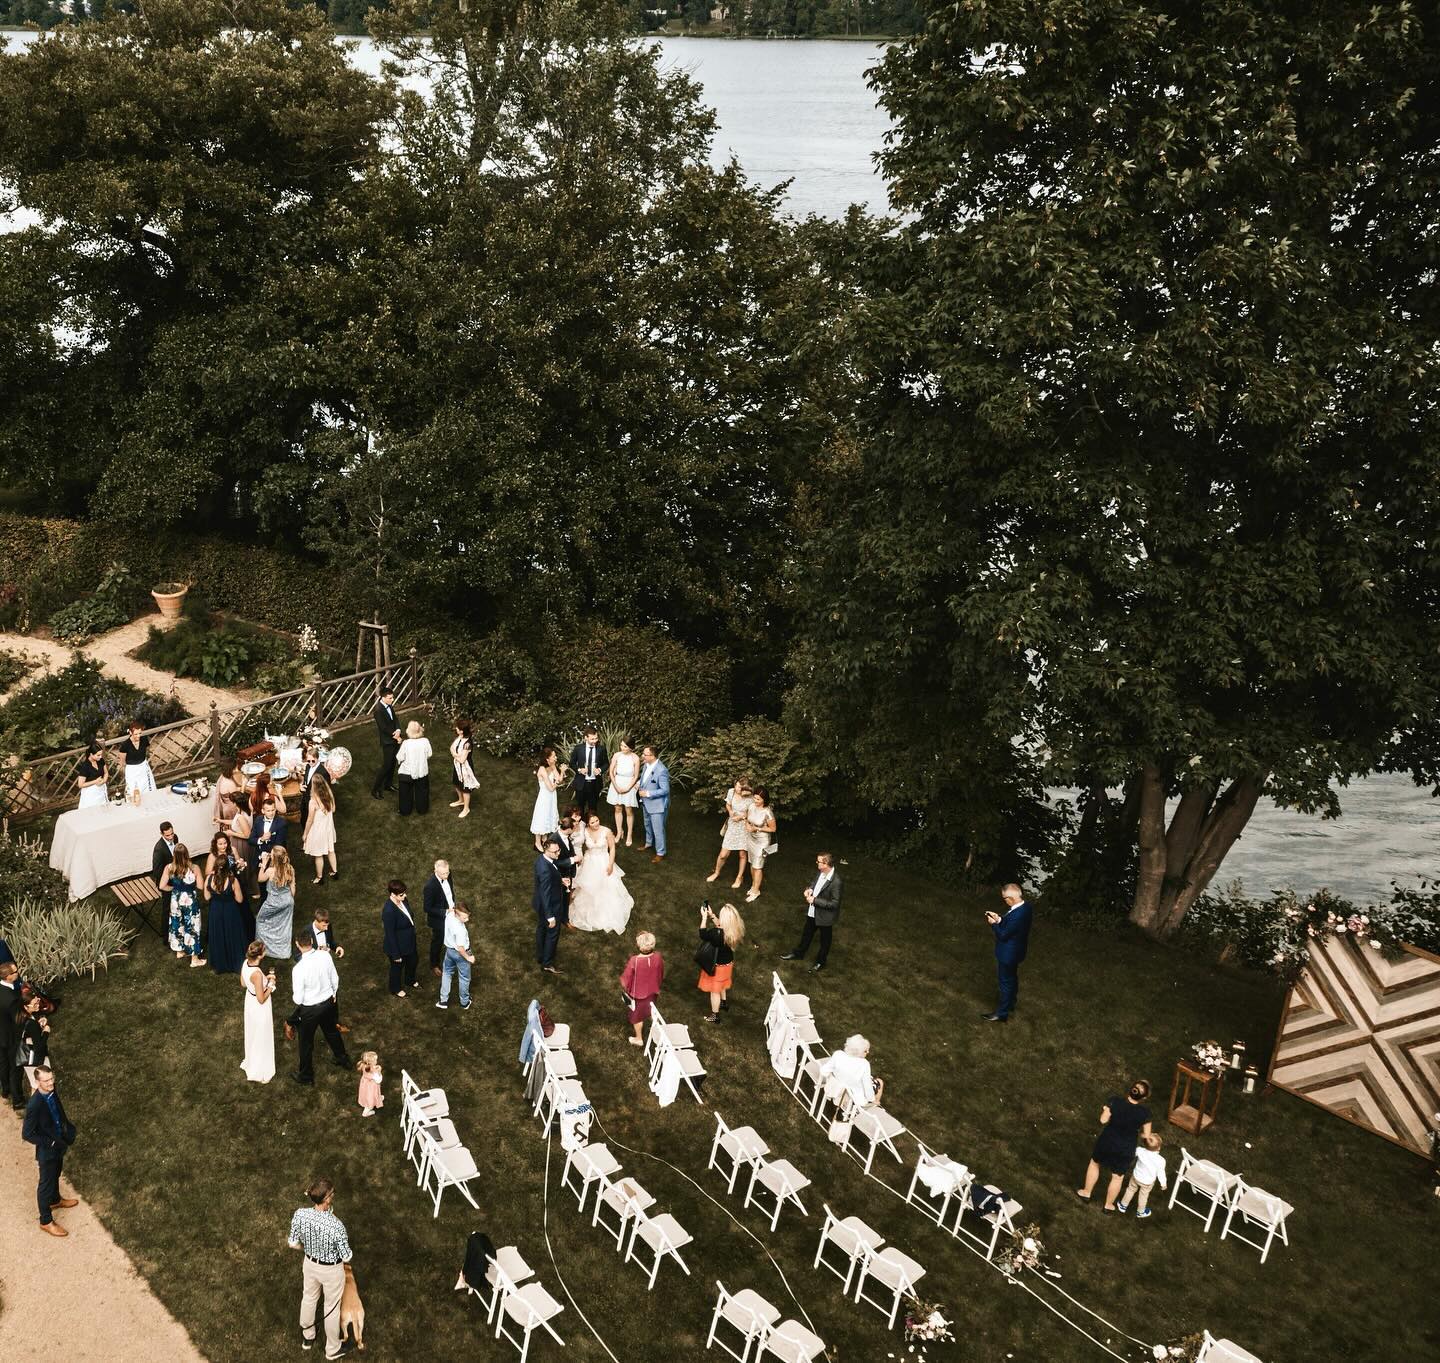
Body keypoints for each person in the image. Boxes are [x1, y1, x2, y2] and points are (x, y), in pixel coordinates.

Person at [287, 1177, 357, 1359]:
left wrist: (308, 1250)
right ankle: (332, 1349)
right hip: (331, 1271)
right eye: (332, 1193)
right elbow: (347, 1256)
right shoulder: (336, 1226)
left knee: (309, 1298)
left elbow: (292, 1243)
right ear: (327, 1199)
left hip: (309, 1264)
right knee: (331, 1308)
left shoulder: (300, 1214)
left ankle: (307, 1337)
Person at [1076, 1081, 1155, 1212]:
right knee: (1117, 1177)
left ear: (1131, 1090)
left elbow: (1103, 1120)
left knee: (1095, 1163)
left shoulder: (1115, 1101)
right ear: (1144, 1098)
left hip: (1107, 1140)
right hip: (1126, 1147)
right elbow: (1146, 1136)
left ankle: (1086, 1192)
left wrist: (1106, 1110)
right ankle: (1108, 1206)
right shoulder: (1145, 1113)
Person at [288, 928, 350, 1085]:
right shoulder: (325, 956)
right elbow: (334, 978)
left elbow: (298, 998)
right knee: (332, 1032)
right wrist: (333, 993)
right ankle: (342, 1059)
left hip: (310, 1010)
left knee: (306, 1043)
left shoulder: (298, 969)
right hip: (329, 1002)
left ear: (298, 944)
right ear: (311, 941)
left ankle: (306, 1076)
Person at [22, 1066, 78, 1238]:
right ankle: (45, 1221)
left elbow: (57, 1110)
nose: (50, 1083)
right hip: (48, 1149)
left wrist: (66, 1127)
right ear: (37, 1082)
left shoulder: (52, 1090)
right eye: (46, 1081)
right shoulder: (34, 1104)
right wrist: (51, 1142)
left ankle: (55, 1200)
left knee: (56, 1173)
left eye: (51, 1079)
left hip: (59, 1142)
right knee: (45, 1183)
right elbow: (27, 1134)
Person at [568, 812, 634, 934]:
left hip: (603, 861)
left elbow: (612, 848)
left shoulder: (606, 831)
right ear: (588, 823)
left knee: (606, 886)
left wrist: (610, 864)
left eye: (597, 820)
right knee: (588, 887)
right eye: (592, 822)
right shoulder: (585, 830)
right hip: (589, 862)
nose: (596, 824)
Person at [782, 852, 843, 973]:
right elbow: (814, 884)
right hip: (813, 912)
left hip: (825, 917)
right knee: (807, 934)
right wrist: (809, 889)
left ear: (826, 864)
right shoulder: (821, 872)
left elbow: (835, 904)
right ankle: (799, 954)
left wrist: (815, 900)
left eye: (818, 862)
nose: (817, 863)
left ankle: (820, 962)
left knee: (825, 941)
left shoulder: (836, 882)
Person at [983, 883, 1033, 1022]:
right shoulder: (1026, 907)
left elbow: (1003, 935)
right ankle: (1011, 1003)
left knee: (1005, 982)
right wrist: (999, 919)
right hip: (1017, 951)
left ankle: (1002, 1013)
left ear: (1010, 898)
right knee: (1012, 978)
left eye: (1005, 898)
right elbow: (1012, 926)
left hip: (1008, 954)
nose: (1004, 901)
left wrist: (994, 924)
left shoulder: (1018, 914)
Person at [696, 902, 744, 1022]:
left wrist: (704, 918)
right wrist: (712, 915)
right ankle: (724, 1003)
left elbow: (703, 934)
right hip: (728, 964)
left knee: (714, 991)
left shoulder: (716, 934)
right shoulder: (734, 929)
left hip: (717, 967)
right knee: (722, 984)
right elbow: (721, 926)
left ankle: (715, 1015)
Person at [159, 842, 205, 967]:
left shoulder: (169, 868)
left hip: (176, 900)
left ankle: (179, 950)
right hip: (190, 901)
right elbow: (200, 886)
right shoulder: (194, 868)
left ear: (174, 855)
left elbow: (162, 886)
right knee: (192, 925)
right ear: (187, 854)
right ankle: (194, 959)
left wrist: (173, 889)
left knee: (176, 922)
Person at [205, 855, 252, 975]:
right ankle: (235, 963)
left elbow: (207, 897)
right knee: (233, 935)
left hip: (216, 910)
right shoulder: (232, 880)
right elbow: (240, 899)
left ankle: (220, 964)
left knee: (218, 935)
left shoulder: (209, 878)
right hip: (231, 910)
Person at [241, 941, 278, 1084]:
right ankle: (260, 1068)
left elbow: (243, 983)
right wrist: (271, 985)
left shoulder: (246, 963)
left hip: (249, 1002)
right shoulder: (256, 974)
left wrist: (263, 980)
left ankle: (252, 1059)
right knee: (261, 1036)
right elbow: (261, 999)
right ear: (261, 955)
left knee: (253, 1032)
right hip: (259, 1007)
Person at [706, 776, 752, 888]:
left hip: (744, 827)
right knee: (723, 854)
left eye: (740, 787)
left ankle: (739, 878)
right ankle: (716, 872)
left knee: (742, 854)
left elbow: (752, 813)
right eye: (736, 785)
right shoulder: (731, 792)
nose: (737, 788)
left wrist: (741, 817)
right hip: (732, 825)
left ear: (745, 788)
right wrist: (730, 811)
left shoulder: (750, 797)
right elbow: (728, 804)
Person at [620, 931, 664, 1046]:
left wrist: (626, 987)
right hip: (653, 992)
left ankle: (639, 1039)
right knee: (647, 1010)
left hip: (639, 995)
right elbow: (660, 973)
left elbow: (626, 979)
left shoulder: (635, 960)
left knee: (637, 1017)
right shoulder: (658, 957)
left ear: (639, 945)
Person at [820, 1034, 884, 1111]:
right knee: (879, 1082)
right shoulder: (864, 1064)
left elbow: (824, 1071)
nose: (868, 1052)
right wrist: (873, 1099)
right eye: (866, 1051)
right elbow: (867, 1087)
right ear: (857, 1051)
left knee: (869, 1080)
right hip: (852, 1097)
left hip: (834, 1089)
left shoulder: (838, 1054)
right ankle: (872, 1107)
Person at [257, 846, 298, 961]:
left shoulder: (270, 871)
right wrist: (290, 900)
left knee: (260, 920)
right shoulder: (290, 869)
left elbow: (260, 879)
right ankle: (283, 951)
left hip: (273, 902)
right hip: (287, 901)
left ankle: (266, 948)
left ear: (274, 859)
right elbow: (292, 887)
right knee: (284, 926)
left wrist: (264, 863)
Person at [381, 879, 419, 997]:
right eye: (401, 894)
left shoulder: (403, 900)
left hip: (409, 941)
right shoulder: (389, 911)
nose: (405, 896)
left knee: (413, 961)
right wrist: (396, 954)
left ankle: (409, 980)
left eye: (404, 893)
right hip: (397, 946)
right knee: (397, 968)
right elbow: (390, 933)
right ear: (392, 894)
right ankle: (396, 988)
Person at [1117, 1132, 1169, 1219]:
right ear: (1159, 1148)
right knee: (1143, 1195)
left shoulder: (1140, 1150)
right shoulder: (1161, 1160)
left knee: (1130, 1189)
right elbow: (1161, 1173)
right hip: (1147, 1182)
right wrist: (1163, 1184)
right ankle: (1140, 1212)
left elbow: (1131, 1154)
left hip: (1136, 1177)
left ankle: (1123, 1205)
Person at [436, 902, 475, 1011]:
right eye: (464, 917)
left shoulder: (450, 915)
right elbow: (461, 948)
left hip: (449, 951)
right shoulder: (460, 930)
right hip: (460, 954)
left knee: (447, 973)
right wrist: (469, 957)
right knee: (464, 978)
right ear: (457, 915)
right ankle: (464, 1002)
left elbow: (450, 910)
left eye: (467, 917)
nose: (467, 920)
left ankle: (443, 1000)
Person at [422, 859, 458, 977]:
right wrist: (445, 911)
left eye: (447, 872)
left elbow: (449, 892)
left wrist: (452, 907)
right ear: (435, 871)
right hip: (439, 919)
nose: (446, 875)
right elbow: (427, 908)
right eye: (443, 874)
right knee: (438, 942)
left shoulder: (448, 873)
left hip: (452, 912)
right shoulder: (430, 886)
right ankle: (434, 964)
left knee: (455, 936)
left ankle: (456, 957)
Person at [533, 841, 565, 974]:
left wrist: (560, 880)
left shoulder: (541, 860)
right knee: (552, 934)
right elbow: (546, 894)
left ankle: (541, 955)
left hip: (540, 904)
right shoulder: (545, 870)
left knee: (541, 929)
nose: (558, 853)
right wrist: (551, 917)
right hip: (550, 906)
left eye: (558, 850)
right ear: (546, 850)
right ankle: (547, 963)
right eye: (555, 851)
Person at [743, 787, 777, 903]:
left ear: (764, 800)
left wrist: (756, 829)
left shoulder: (768, 812)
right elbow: (747, 819)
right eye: (755, 798)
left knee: (758, 867)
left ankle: (756, 891)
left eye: (758, 799)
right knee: (752, 864)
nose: (755, 800)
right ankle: (753, 886)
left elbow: (773, 829)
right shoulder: (752, 806)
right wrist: (747, 825)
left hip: (762, 842)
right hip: (751, 838)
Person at [304, 770, 339, 885]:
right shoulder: (329, 796)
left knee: (318, 855)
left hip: (318, 831)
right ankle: (335, 872)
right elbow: (333, 810)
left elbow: (309, 820)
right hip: (328, 829)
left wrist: (305, 834)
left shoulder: (313, 802)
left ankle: (319, 878)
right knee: (330, 850)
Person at [638, 745, 671, 862]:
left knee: (658, 829)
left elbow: (665, 790)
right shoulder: (647, 765)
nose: (642, 756)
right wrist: (639, 784)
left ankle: (660, 852)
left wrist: (647, 793)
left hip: (657, 805)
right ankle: (648, 843)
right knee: (647, 824)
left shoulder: (662, 770)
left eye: (645, 755)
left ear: (652, 756)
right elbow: (645, 780)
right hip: (646, 803)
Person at [569, 725, 609, 820]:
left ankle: (592, 828)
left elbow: (606, 763)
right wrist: (579, 770)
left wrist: (599, 770)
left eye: (596, 738)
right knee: (580, 808)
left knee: (593, 808)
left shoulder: (601, 749)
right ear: (585, 738)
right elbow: (572, 763)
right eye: (592, 739)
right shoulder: (578, 748)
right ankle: (580, 828)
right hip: (581, 783)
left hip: (595, 784)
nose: (595, 741)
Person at [530, 746, 566, 849]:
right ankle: (537, 843)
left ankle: (544, 838)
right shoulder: (542, 770)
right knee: (542, 817)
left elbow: (559, 779)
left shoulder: (553, 766)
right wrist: (557, 783)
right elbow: (550, 788)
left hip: (552, 797)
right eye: (554, 756)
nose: (556, 758)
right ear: (547, 759)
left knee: (549, 815)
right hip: (545, 797)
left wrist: (562, 772)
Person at [606, 738, 640, 846]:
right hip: (617, 782)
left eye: (625, 746)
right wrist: (615, 785)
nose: (622, 748)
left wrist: (628, 788)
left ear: (631, 747)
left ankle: (629, 834)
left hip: (628, 783)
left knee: (628, 810)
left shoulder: (635, 758)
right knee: (617, 808)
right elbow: (611, 771)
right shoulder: (616, 755)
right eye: (621, 745)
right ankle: (619, 831)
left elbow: (636, 775)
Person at [396, 720, 433, 817]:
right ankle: (422, 809)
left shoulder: (406, 743)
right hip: (422, 772)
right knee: (422, 791)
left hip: (406, 773)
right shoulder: (425, 741)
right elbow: (429, 754)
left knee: (405, 793)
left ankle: (405, 810)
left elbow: (400, 757)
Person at [371, 684, 401, 799]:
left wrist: (398, 729)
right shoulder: (378, 710)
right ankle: (375, 789)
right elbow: (383, 728)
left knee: (393, 763)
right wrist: (396, 736)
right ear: (383, 698)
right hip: (387, 741)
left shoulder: (389, 705)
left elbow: (395, 719)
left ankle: (388, 785)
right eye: (390, 698)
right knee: (386, 766)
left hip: (394, 738)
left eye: (392, 697)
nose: (392, 700)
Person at [0, 962, 23, 1109]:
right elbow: (17, 1021)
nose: (18, 973)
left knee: (3, 1064)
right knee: (15, 1068)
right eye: (15, 972)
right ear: (8, 977)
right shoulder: (11, 998)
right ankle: (18, 1101)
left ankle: (5, 1090)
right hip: (9, 1037)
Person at [16, 993, 50, 1093]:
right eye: (34, 1005)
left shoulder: (19, 1018)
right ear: (25, 1007)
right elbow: (39, 1046)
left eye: (37, 1002)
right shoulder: (31, 1024)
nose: (38, 1006)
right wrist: (46, 1032)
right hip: (37, 1059)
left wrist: (38, 1025)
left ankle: (33, 1108)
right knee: (46, 1086)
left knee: (35, 1085)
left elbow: (26, 1033)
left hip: (25, 1058)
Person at [449, 721, 479, 818]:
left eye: (457, 728)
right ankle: (460, 800)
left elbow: (462, 760)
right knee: (456, 783)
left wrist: (455, 755)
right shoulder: (460, 738)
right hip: (457, 766)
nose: (456, 729)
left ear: (462, 731)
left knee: (465, 788)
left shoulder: (467, 744)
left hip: (465, 768)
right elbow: (451, 748)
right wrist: (456, 754)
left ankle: (466, 808)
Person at [118, 720, 156, 796]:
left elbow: (147, 751)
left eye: (140, 733)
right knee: (133, 791)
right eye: (135, 734)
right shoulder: (125, 745)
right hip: (132, 770)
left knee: (148, 789)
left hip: (144, 767)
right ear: (130, 733)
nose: (138, 736)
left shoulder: (144, 739)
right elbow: (122, 761)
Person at [75, 740, 108, 808]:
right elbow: (80, 785)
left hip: (101, 791)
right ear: (91, 754)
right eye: (98, 755)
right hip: (90, 794)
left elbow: (106, 773)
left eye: (101, 754)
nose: (100, 757)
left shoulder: (100, 760)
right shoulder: (85, 766)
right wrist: (95, 781)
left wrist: (104, 780)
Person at [214, 754, 243, 829]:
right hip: (232, 809)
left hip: (225, 807)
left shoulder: (222, 777)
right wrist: (244, 784)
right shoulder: (229, 783)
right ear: (229, 770)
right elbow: (240, 797)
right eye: (235, 769)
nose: (237, 770)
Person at [151, 820, 180, 890]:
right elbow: (157, 871)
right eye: (167, 835)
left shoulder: (175, 837)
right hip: (166, 880)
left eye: (172, 834)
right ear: (161, 834)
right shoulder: (159, 849)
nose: (170, 837)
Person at [357, 1051, 384, 1117]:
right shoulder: (373, 1072)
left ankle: (378, 1098)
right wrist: (379, 1071)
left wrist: (375, 1068)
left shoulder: (365, 1066)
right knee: (370, 1098)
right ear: (370, 1062)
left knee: (366, 1095)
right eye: (375, 1060)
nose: (376, 1061)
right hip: (371, 1088)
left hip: (365, 1085)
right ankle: (366, 1112)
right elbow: (378, 1080)